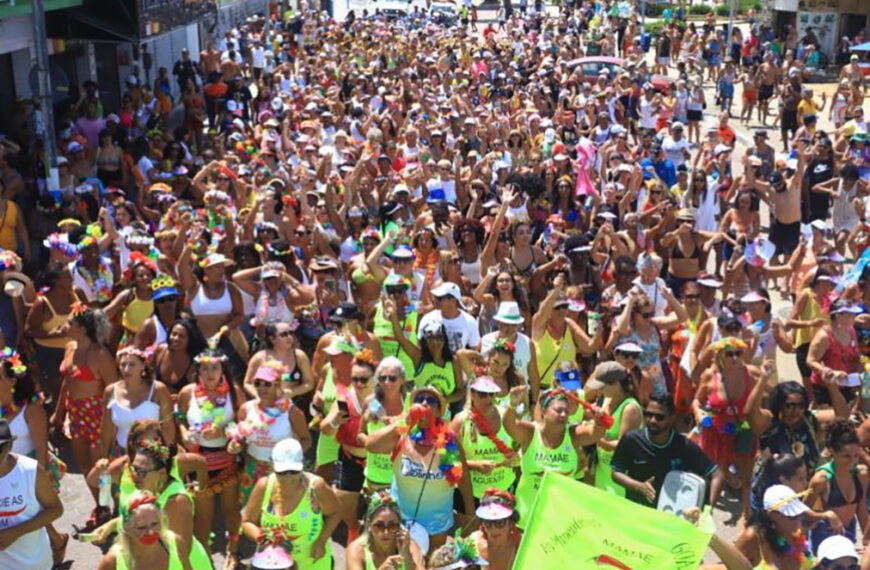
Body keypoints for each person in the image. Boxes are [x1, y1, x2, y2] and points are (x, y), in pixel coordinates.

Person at [366, 385, 474, 550]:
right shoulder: (401, 434)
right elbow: (371, 445)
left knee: (431, 563)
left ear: (439, 410)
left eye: (430, 400)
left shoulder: (450, 441)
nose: (423, 403)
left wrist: (470, 515)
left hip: (437, 522)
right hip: (400, 521)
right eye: (418, 399)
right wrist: (401, 423)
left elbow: (464, 478)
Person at [503, 371, 607, 526]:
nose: (563, 415)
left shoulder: (572, 434)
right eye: (558, 410)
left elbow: (595, 434)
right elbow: (509, 425)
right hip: (527, 517)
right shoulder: (531, 432)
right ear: (543, 412)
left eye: (566, 411)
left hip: (560, 518)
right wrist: (512, 404)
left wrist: (599, 420)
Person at [240, 438, 341, 570]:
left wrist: (321, 541)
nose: (288, 477)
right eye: (282, 472)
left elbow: (336, 512)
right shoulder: (264, 486)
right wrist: (263, 539)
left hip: (312, 562)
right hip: (274, 564)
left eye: (293, 471)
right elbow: (247, 522)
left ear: (302, 465)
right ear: (272, 466)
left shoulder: (316, 487)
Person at [611, 392, 717, 506]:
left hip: (670, 516)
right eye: (648, 414)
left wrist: (708, 507)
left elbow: (716, 473)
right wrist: (639, 487)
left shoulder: (684, 446)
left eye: (659, 417)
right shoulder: (631, 440)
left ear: (672, 418)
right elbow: (616, 472)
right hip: (635, 510)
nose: (652, 420)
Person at [0, 418, 64, 570]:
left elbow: (56, 509)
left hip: (34, 563)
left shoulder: (29, 470)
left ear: (9, 445)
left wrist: (16, 532)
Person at [805, 419, 869, 552]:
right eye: (846, 456)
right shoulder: (821, 480)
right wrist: (826, 515)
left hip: (849, 534)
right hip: (825, 536)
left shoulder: (861, 474)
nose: (852, 461)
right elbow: (802, 513)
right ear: (832, 451)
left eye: (856, 456)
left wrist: (867, 541)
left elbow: (861, 509)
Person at [96, 491, 186, 570]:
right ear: (127, 528)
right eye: (141, 527)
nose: (150, 532)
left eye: (154, 524)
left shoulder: (175, 543)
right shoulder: (112, 561)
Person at [345, 490, 425, 570]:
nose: (386, 532)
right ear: (369, 524)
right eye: (379, 526)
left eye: (392, 526)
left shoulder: (409, 546)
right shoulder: (356, 551)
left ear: (399, 525)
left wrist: (407, 556)